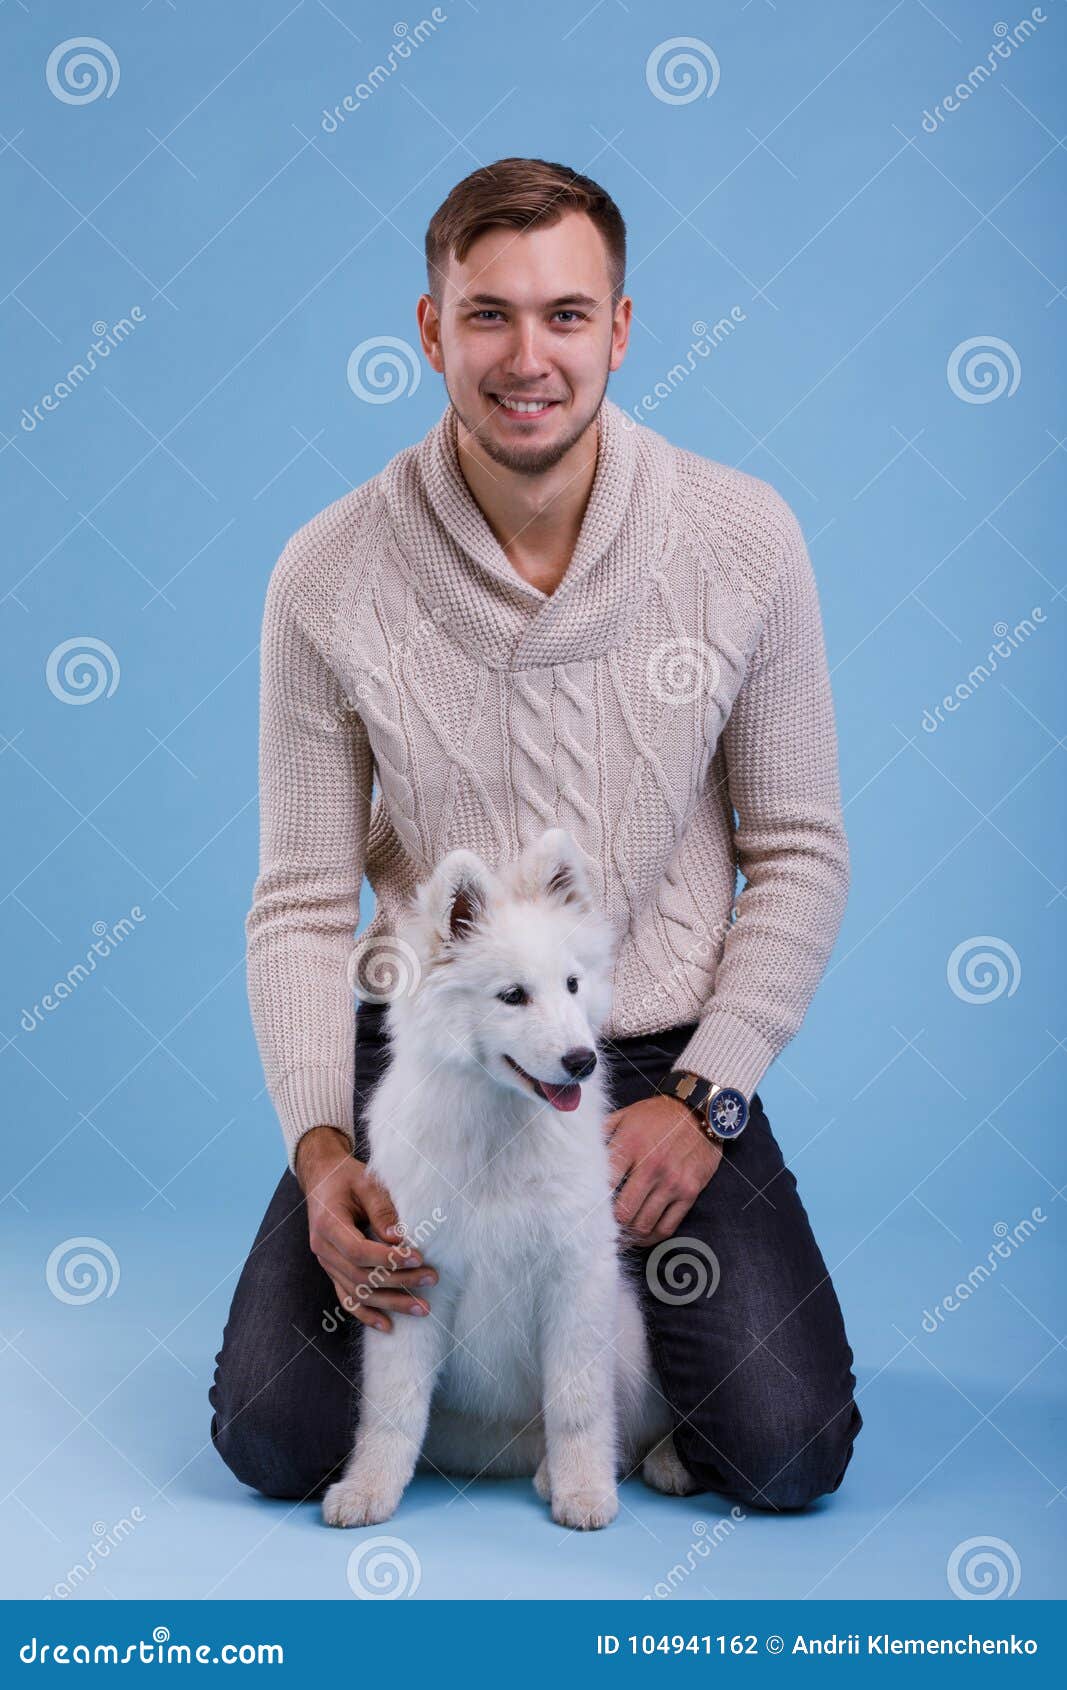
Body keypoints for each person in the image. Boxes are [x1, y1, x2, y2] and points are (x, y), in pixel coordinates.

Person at [209, 156, 862, 1512]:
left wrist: (709, 1096)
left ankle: (597, 1376)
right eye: (488, 313)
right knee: (274, 1434)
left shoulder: (743, 539)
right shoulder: (327, 574)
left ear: (620, 329)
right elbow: (298, 897)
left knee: (787, 1450)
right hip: (438, 1043)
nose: (529, 355)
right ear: (430, 330)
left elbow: (798, 850)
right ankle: (510, 1378)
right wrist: (322, 1144)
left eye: (567, 314)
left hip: (659, 1051)